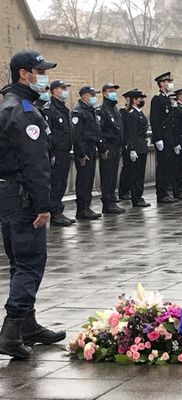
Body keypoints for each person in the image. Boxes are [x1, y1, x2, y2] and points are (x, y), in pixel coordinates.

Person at [0, 49, 66, 359]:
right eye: (39, 71)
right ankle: (12, 331)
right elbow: (36, 163)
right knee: (30, 262)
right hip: (23, 195)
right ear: (24, 74)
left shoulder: (7, 103)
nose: (43, 76)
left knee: (18, 260)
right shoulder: (24, 109)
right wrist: (44, 205)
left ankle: (28, 325)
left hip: (7, 194)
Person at [42, 80, 76, 226]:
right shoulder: (49, 109)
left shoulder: (63, 108)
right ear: (55, 91)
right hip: (56, 152)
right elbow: (48, 134)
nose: (65, 91)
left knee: (62, 182)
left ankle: (58, 211)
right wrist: (51, 153)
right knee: (56, 183)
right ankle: (55, 213)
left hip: (65, 151)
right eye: (62, 88)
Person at [72, 86, 107, 220]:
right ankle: (82, 209)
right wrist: (81, 153)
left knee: (89, 179)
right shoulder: (79, 111)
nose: (94, 97)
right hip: (84, 149)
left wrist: (101, 147)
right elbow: (77, 135)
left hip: (91, 148)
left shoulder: (90, 111)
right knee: (84, 180)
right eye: (92, 95)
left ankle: (87, 207)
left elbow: (96, 132)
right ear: (84, 96)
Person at [97, 83, 125, 214]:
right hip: (108, 146)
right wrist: (103, 147)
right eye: (110, 91)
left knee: (113, 175)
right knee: (107, 175)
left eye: (114, 90)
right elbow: (99, 131)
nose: (113, 92)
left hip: (116, 146)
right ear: (104, 93)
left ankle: (112, 199)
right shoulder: (102, 109)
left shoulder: (114, 108)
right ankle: (107, 202)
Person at [150, 72, 177, 204]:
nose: (170, 83)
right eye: (168, 81)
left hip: (169, 138)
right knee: (162, 167)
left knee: (169, 166)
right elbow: (155, 121)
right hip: (163, 139)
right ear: (161, 83)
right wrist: (158, 138)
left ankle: (167, 190)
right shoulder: (157, 99)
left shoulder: (167, 99)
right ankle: (161, 193)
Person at [123, 90, 151, 207]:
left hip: (142, 147)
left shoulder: (139, 113)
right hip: (137, 148)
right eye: (140, 98)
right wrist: (132, 149)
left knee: (140, 174)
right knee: (135, 174)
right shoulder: (132, 114)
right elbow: (131, 133)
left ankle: (139, 196)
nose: (142, 100)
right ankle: (136, 198)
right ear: (134, 100)